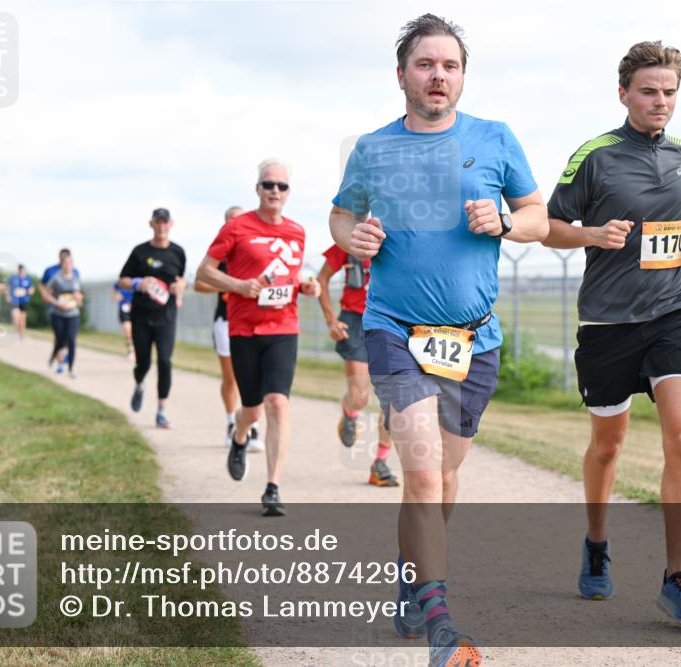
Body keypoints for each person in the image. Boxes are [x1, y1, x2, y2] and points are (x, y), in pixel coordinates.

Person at [330, 15, 548, 666]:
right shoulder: (374, 148)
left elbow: (539, 216)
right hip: (395, 329)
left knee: (444, 476)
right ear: (402, 75)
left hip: (474, 340)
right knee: (422, 471)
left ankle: (413, 576)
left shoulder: (495, 137)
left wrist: (505, 220)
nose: (438, 76)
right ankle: (441, 626)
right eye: (425, 64)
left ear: (461, 77)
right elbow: (341, 212)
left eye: (450, 66)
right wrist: (351, 236)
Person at [542, 41, 681, 626]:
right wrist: (593, 235)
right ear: (624, 94)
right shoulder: (595, 155)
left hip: (673, 311)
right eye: (649, 91)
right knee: (608, 446)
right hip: (608, 321)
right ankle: (596, 543)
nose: (660, 101)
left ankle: (677, 576)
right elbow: (550, 226)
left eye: (669, 91)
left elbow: (668, 220)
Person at [197, 160, 322, 516]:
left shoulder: (297, 232)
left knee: (277, 404)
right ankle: (239, 437)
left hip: (283, 328)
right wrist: (238, 285)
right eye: (269, 184)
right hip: (244, 329)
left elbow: (290, 277)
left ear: (288, 192)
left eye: (282, 186)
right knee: (251, 411)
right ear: (257, 189)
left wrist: (306, 287)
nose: (275, 191)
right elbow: (204, 272)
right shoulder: (237, 228)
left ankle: (272, 488)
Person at [317, 243, 399, 487]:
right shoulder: (350, 240)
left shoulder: (403, 240)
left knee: (392, 400)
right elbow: (322, 279)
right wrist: (331, 320)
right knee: (360, 397)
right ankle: (350, 411)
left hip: (391, 323)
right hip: (355, 322)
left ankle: (380, 463)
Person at [194, 205, 265, 452]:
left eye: (240, 219)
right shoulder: (220, 253)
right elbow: (199, 283)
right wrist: (231, 286)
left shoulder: (255, 250)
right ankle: (230, 422)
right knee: (231, 377)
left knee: (255, 376)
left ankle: (252, 426)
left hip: (255, 320)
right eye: (231, 221)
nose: (236, 224)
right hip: (226, 320)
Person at [119, 208, 188, 429]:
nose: (161, 226)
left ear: (171, 224)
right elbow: (122, 280)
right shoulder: (140, 251)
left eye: (165, 222)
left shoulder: (178, 252)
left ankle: (161, 411)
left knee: (165, 362)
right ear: (151, 224)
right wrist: (138, 283)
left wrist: (181, 289)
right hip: (141, 315)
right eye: (158, 222)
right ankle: (139, 383)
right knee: (144, 363)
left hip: (166, 316)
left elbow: (182, 280)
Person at [44, 254, 82, 378]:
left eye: (70, 263)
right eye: (66, 263)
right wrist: (57, 303)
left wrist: (78, 299)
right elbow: (47, 295)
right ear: (62, 264)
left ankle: (71, 369)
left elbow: (79, 296)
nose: (68, 265)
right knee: (60, 340)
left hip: (73, 314)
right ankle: (56, 360)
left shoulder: (76, 278)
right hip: (58, 314)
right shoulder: (56, 278)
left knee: (71, 340)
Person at [112, 280, 136, 360]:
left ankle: (137, 351)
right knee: (127, 329)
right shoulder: (120, 282)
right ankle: (131, 350)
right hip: (124, 308)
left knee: (136, 331)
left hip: (136, 308)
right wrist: (116, 296)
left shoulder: (138, 280)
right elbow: (113, 292)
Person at [9, 264, 33, 339]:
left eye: (22, 271)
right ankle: (15, 331)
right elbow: (8, 288)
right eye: (20, 271)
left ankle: (21, 334)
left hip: (24, 301)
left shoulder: (28, 279)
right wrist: (8, 296)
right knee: (16, 317)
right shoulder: (13, 278)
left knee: (22, 320)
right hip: (15, 301)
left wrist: (30, 291)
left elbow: (31, 289)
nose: (21, 272)